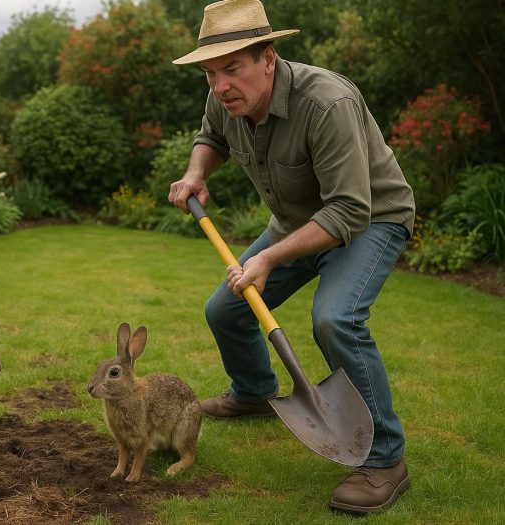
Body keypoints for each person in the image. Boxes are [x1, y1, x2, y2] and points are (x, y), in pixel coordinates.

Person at [168, 0, 416, 515]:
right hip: (297, 225)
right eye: (210, 74)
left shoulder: (326, 102)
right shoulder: (224, 96)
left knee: (335, 320)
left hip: (370, 221)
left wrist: (269, 259)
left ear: (268, 58)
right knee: (226, 310)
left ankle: (387, 460)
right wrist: (197, 173)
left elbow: (349, 209)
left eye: (231, 68)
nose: (220, 85)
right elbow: (209, 137)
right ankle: (255, 391)